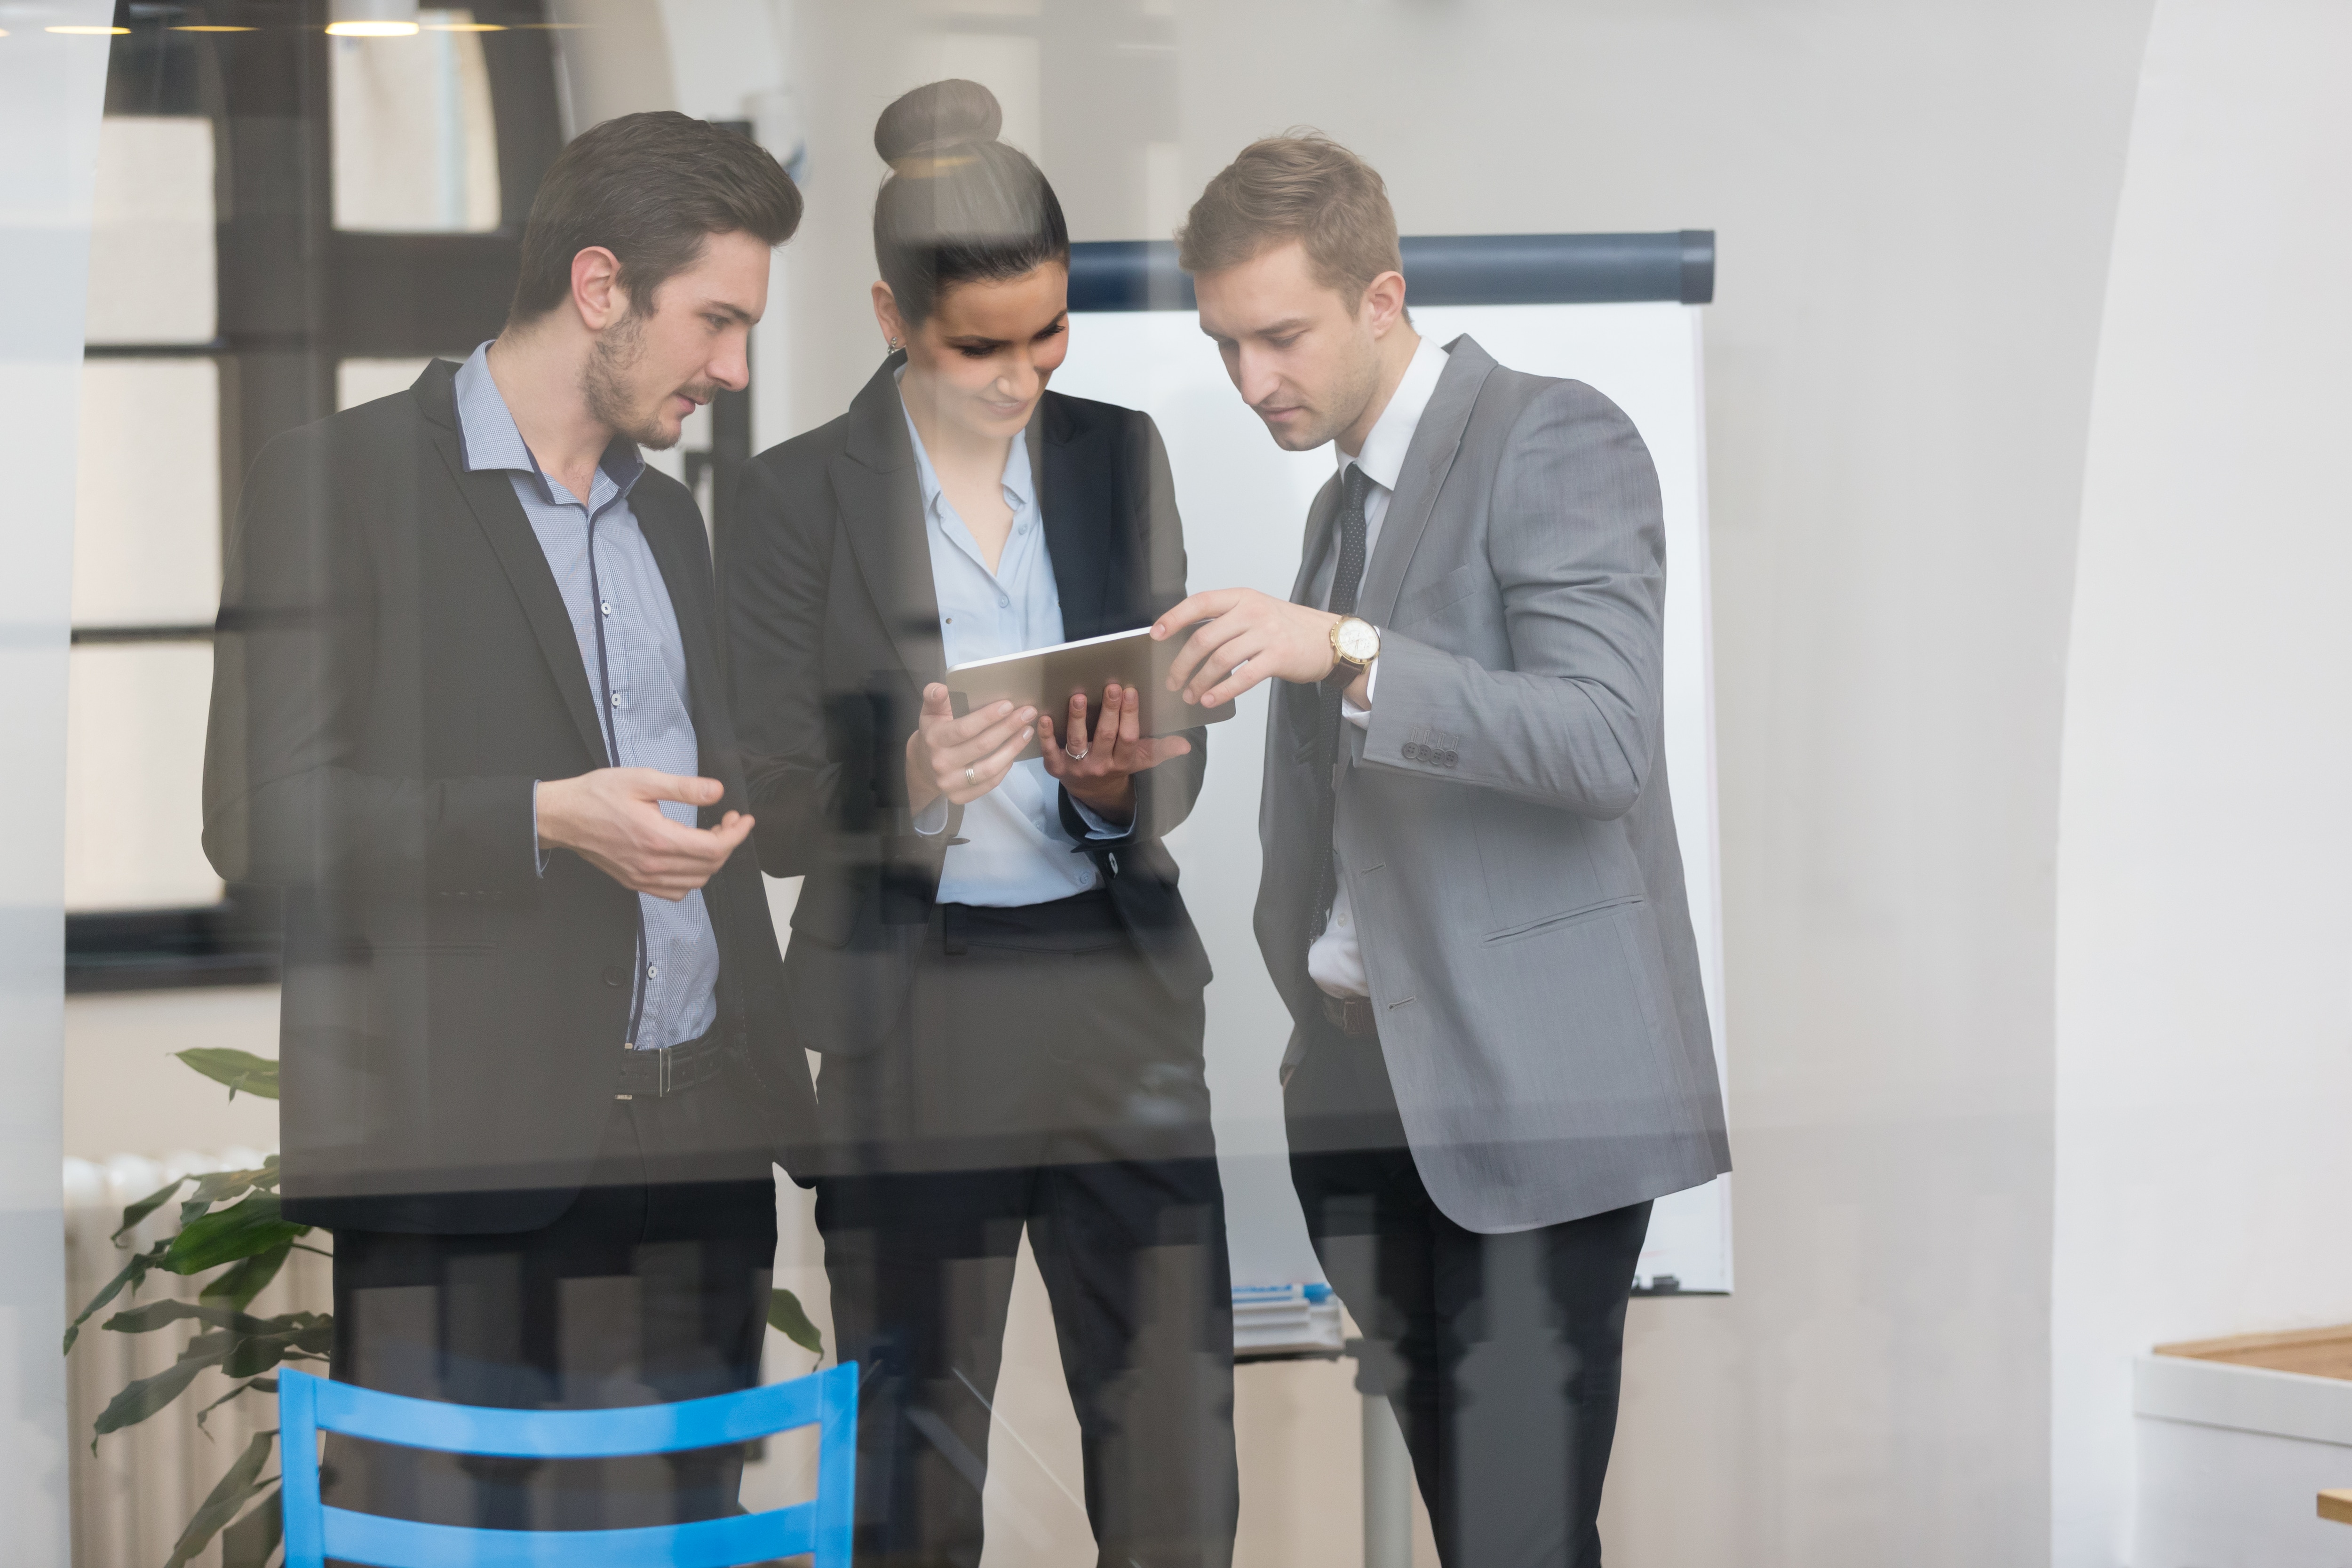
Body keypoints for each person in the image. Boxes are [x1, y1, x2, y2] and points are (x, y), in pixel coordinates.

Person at [201, 111, 813, 1530]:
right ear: (601, 287)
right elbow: (261, 821)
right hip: (463, 1177)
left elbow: (699, 812)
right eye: (715, 321)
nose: (734, 367)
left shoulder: (670, 523)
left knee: (679, 1554)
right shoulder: (335, 482)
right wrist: (546, 820)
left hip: (697, 1157)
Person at [1156, 134, 1732, 1567]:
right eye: (1225, 345)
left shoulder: (1554, 433)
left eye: (1279, 336)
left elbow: (1603, 741)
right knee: (1491, 1536)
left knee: (1516, 1544)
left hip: (1530, 1100)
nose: (1251, 381)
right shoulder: (1342, 504)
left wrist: (1344, 649)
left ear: (1381, 296)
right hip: (1364, 1101)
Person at [724, 78, 1238, 1568]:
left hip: (1113, 987)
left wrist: (1119, 782)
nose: (1024, 376)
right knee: (917, 1453)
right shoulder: (788, 500)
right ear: (893, 316)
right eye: (981, 347)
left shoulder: (1114, 454)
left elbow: (1178, 757)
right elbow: (764, 799)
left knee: (1172, 1436)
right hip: (912, 1006)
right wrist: (911, 790)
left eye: (1050, 334)